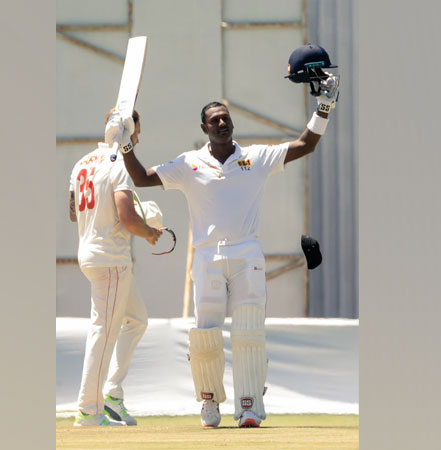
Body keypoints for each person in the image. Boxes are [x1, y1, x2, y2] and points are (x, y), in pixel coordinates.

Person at [109, 68, 339, 428]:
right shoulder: (188, 163)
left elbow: (306, 144)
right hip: (207, 257)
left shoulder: (257, 158)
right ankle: (209, 403)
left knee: (249, 330)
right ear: (204, 129)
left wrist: (324, 104)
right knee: (206, 334)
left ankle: (249, 405)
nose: (222, 124)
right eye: (215, 120)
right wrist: (126, 146)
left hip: (247, 255)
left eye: (226, 119)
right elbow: (140, 178)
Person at [69, 109, 162, 427]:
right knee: (103, 332)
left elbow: (73, 211)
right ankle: (88, 410)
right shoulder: (119, 163)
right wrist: (149, 231)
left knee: (136, 321)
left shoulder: (82, 163)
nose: (139, 137)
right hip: (110, 258)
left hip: (91, 252)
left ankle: (111, 393)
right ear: (130, 132)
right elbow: (126, 217)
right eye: (138, 131)